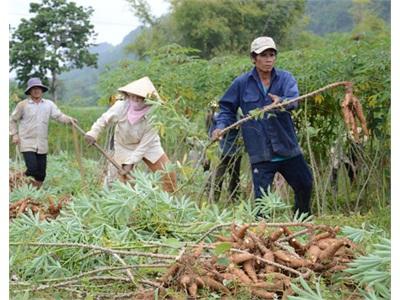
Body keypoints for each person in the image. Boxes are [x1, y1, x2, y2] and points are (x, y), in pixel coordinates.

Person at [212, 36, 313, 216]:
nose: (268, 59)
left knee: (305, 184)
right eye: (263, 55)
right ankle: (263, 234)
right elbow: (226, 108)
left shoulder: (285, 79)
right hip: (260, 151)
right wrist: (220, 126)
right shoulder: (241, 83)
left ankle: (302, 221)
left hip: (286, 146)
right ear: (253, 58)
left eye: (272, 54)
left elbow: (294, 100)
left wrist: (281, 102)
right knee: (262, 202)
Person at [84, 76, 177, 192]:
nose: (136, 98)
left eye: (140, 96)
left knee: (168, 174)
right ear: (128, 95)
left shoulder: (154, 114)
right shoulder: (121, 106)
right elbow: (103, 120)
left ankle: (169, 203)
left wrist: (130, 163)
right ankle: (109, 198)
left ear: (148, 99)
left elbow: (144, 145)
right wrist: (93, 133)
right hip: (124, 145)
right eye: (133, 95)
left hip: (149, 146)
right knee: (118, 181)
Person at [9, 77, 76, 188]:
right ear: (29, 91)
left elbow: (58, 116)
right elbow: (12, 119)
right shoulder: (22, 105)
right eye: (33, 88)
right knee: (32, 168)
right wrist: (15, 134)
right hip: (27, 142)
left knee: (41, 174)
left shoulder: (49, 104)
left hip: (42, 143)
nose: (36, 90)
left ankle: (35, 192)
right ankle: (18, 182)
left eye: (38, 88)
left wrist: (69, 120)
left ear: (42, 90)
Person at [206, 101, 242, 202]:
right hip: (223, 151)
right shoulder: (220, 118)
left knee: (234, 177)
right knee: (218, 176)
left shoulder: (237, 116)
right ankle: (213, 199)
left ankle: (234, 198)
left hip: (235, 152)